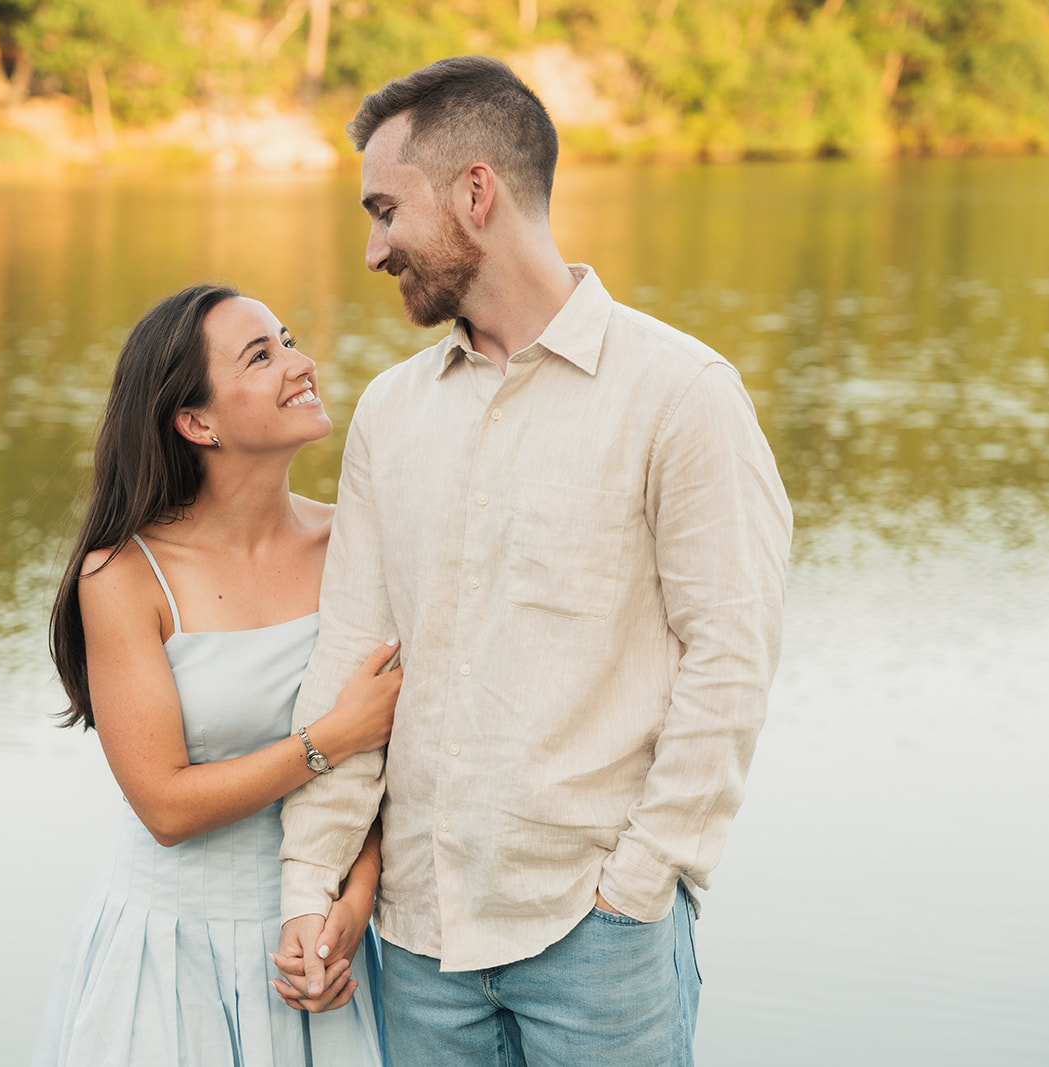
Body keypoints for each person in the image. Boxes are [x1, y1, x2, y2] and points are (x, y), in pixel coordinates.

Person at [272, 56, 793, 1065]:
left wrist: (639, 882)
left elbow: (729, 658)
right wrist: (310, 882)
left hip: (598, 939)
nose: (374, 250)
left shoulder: (680, 393)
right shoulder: (390, 412)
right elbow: (352, 656)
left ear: (476, 192)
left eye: (387, 210)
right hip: (417, 943)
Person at [33, 284, 398, 1066]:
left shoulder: (356, 543)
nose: (300, 364)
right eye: (260, 356)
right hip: (171, 955)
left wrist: (353, 902)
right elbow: (164, 805)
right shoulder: (125, 575)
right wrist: (329, 737)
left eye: (289, 340)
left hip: (316, 946)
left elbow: (387, 764)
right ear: (196, 422)